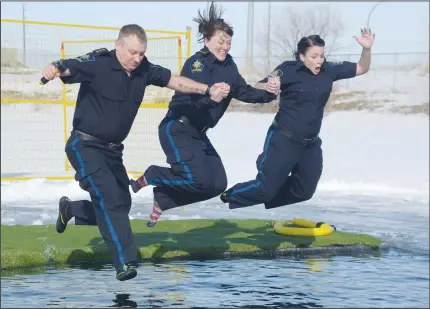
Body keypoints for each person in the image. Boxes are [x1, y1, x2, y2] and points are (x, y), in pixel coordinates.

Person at [41, 24, 226, 281]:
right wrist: (55, 68)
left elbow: (175, 81)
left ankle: (71, 210)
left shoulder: (143, 69)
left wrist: (207, 89)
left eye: (141, 53)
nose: (137, 58)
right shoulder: (99, 62)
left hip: (113, 152)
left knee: (121, 204)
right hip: (84, 146)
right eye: (132, 52)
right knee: (108, 198)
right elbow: (70, 65)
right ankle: (124, 263)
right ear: (118, 45)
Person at [129, 2, 280, 227]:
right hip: (177, 128)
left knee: (217, 184)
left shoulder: (229, 66)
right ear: (207, 40)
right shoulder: (197, 64)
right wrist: (211, 97)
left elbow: (244, 91)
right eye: (220, 41)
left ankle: (164, 199)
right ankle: (152, 175)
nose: (225, 46)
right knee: (197, 179)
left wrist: (269, 92)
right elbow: (190, 101)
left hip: (198, 134)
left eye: (228, 42)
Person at [220, 28, 375, 210]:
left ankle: (269, 188)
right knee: (265, 189)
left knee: (305, 191)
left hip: (310, 144)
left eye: (321, 56)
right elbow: (258, 85)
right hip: (283, 139)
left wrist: (367, 49)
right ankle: (230, 194)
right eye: (314, 56)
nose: (319, 61)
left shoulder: (329, 70)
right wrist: (270, 85)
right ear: (302, 56)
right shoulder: (288, 69)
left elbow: (362, 68)